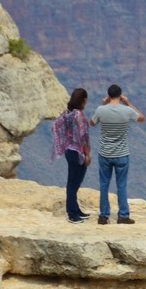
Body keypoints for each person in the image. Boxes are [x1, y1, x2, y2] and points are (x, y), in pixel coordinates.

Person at [90, 83, 145, 224]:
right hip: (122, 154)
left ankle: (103, 216)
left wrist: (103, 104)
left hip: (105, 154)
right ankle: (123, 216)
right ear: (120, 96)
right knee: (121, 185)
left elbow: (92, 123)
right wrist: (128, 103)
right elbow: (141, 118)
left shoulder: (101, 110)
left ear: (108, 96)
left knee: (104, 185)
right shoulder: (127, 111)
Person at [50, 88, 92, 223]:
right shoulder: (79, 115)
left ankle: (76, 210)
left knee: (74, 182)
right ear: (83, 100)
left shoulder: (67, 113)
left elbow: (55, 126)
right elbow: (84, 136)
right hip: (77, 152)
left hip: (69, 150)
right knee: (74, 183)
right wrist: (87, 154)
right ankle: (72, 214)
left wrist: (65, 141)